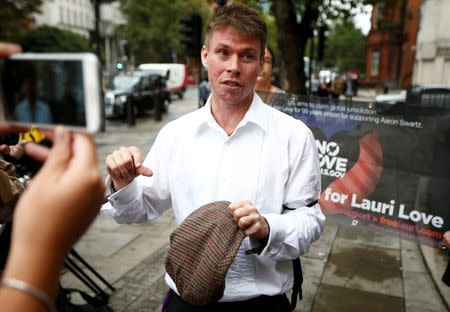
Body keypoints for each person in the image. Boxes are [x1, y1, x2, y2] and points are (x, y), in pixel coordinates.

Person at [102, 4, 324, 311]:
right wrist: (123, 184)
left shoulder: (293, 136)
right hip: (186, 300)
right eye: (223, 52)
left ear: (260, 64)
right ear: (206, 55)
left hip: (261, 304)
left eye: (246, 55)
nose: (234, 66)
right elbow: (137, 211)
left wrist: (268, 229)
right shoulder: (175, 134)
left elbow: (309, 220)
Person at [0, 41, 105, 312]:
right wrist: (42, 250)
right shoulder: (22, 105)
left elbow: (36, 130)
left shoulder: (45, 105)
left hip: (46, 153)